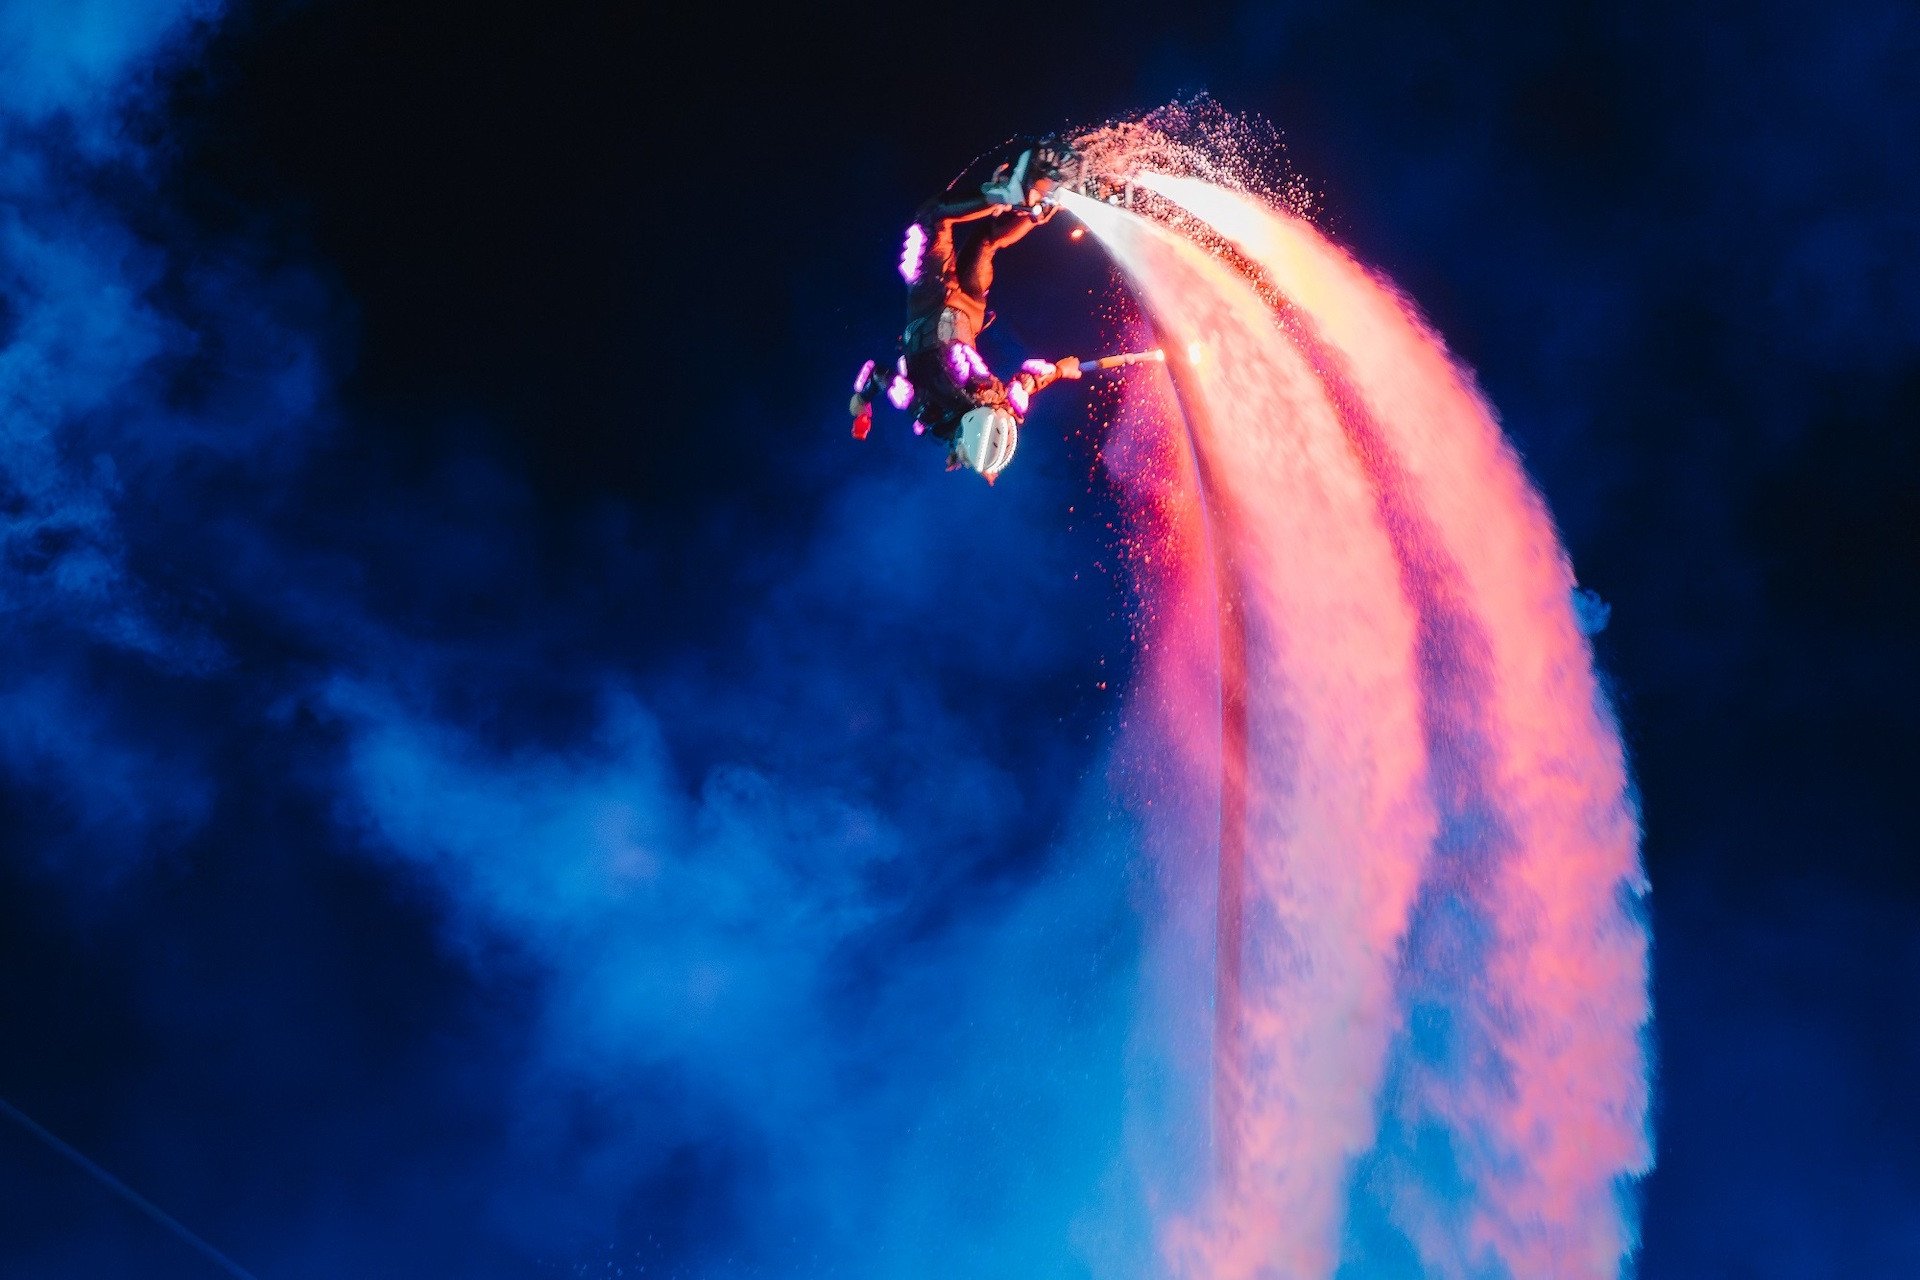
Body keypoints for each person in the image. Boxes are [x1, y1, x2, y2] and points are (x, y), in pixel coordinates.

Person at [849, 139, 1085, 481]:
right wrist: (862, 399)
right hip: (932, 300)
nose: (954, 459)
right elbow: (877, 373)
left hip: (969, 311)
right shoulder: (925, 408)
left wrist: (1062, 371)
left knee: (987, 239)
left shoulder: (1004, 406)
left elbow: (1028, 381)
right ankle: (1010, 194)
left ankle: (1041, 205)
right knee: (932, 218)